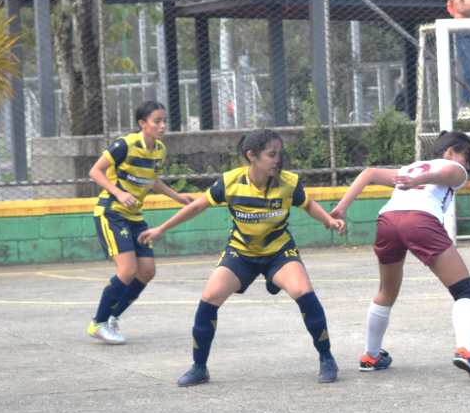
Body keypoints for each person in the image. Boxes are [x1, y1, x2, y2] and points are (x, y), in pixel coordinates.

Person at [139, 129, 345, 386]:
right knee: (209, 297)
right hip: (241, 253)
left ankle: (326, 357)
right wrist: (160, 229)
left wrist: (329, 220)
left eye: (279, 154)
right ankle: (199, 366)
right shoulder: (230, 182)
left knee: (303, 291)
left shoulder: (288, 182)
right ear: (252, 156)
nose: (277, 160)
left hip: (278, 253)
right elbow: (197, 206)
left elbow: (308, 204)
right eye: (271, 155)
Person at [329, 131, 470, 380]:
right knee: (466, 292)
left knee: (386, 292)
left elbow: (369, 173)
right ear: (450, 152)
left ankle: (370, 356)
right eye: (466, 158)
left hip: (388, 220)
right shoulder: (453, 168)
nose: (467, 166)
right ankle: (465, 351)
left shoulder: (411, 168)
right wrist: (421, 180)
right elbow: (445, 174)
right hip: (419, 220)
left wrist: (341, 208)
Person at [85, 100, 193, 344]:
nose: (163, 125)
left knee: (146, 271)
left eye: (165, 120)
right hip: (112, 212)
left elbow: (151, 179)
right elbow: (95, 171)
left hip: (135, 217)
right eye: (157, 121)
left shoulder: (160, 150)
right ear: (142, 124)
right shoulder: (125, 145)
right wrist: (119, 193)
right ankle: (98, 323)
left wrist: (177, 196)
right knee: (128, 270)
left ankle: (113, 318)